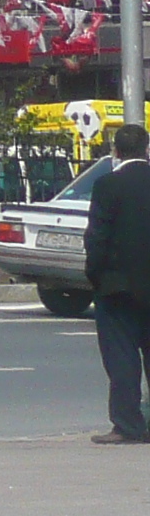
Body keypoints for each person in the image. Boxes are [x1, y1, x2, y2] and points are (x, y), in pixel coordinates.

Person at [87, 122, 150, 443]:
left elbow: (97, 237)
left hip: (117, 287)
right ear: (147, 149)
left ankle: (128, 424)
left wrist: (94, 275)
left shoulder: (108, 185)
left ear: (116, 151)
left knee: (122, 356)